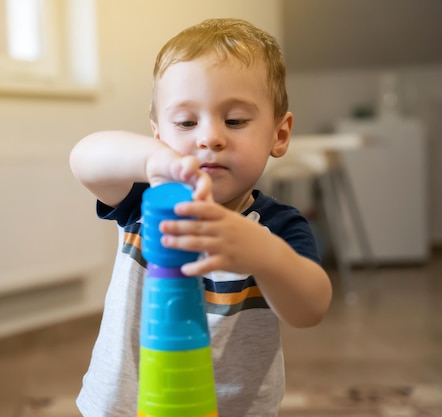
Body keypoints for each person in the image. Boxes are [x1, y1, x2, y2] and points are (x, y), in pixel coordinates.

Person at [69, 18, 332, 417]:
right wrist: (152, 160)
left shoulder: (276, 226)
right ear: (160, 136)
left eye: (235, 120)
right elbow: (84, 159)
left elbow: (310, 309)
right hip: (122, 408)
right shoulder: (146, 199)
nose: (209, 137)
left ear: (279, 135)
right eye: (187, 123)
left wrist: (265, 255)